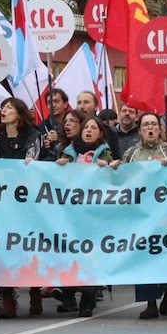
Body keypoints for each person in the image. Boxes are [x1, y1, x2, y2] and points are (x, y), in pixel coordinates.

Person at [0, 97, 44, 319]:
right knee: (4, 247)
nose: (4, 111)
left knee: (30, 246)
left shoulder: (33, 136)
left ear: (19, 113)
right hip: (3, 201)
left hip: (28, 202)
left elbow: (32, 163)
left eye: (9, 107)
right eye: (3, 107)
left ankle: (35, 291)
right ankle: (7, 296)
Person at [122, 112, 167, 319]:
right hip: (141, 214)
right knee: (143, 256)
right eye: (146, 125)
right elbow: (122, 179)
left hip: (166, 214)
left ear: (160, 129)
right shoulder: (132, 154)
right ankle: (150, 303)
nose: (150, 128)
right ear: (140, 130)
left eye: (154, 124)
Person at [54, 115, 120, 317]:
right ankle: (68, 295)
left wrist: (109, 167)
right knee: (68, 253)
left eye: (93, 128)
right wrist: (58, 166)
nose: (89, 131)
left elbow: (115, 180)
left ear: (100, 134)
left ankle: (88, 297)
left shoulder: (105, 153)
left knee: (90, 255)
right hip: (71, 213)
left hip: (94, 214)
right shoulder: (68, 153)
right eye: (86, 128)